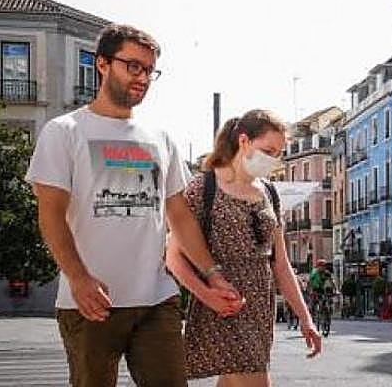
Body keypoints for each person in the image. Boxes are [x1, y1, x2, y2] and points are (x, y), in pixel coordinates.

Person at [27, 23, 241, 387]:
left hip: (157, 299)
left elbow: (179, 215)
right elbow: (50, 214)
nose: (143, 77)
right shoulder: (64, 131)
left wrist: (211, 272)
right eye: (133, 66)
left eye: (149, 70)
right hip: (89, 302)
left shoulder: (160, 138)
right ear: (103, 64)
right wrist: (78, 278)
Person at [167, 109, 322, 385]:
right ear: (244, 141)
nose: (273, 160)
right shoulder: (203, 189)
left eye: (277, 154)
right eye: (267, 150)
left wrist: (305, 317)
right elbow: (174, 257)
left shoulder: (270, 193)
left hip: (260, 310)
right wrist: (206, 294)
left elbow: (281, 265)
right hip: (223, 306)